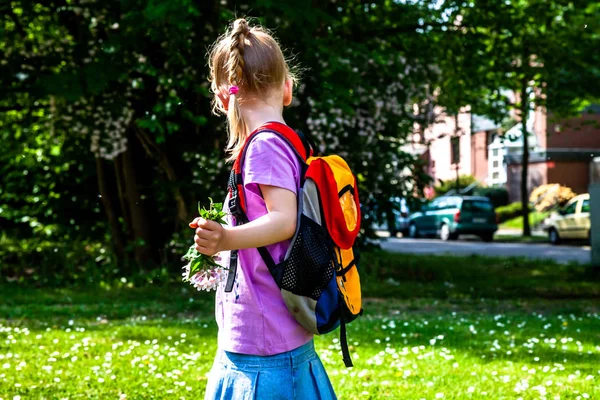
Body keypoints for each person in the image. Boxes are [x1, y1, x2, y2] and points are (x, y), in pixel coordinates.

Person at [188, 18, 337, 400]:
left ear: (223, 97)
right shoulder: (287, 142)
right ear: (287, 88)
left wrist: (225, 238)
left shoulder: (264, 147)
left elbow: (283, 221)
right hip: (272, 335)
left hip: (264, 347)